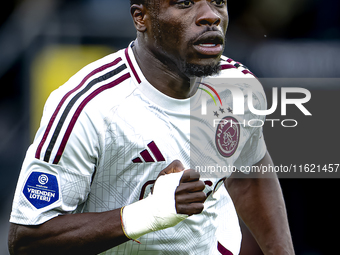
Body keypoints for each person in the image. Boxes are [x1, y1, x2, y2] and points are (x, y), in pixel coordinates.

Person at [8, 0, 295, 254]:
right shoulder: (89, 105)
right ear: (141, 17)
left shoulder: (236, 86)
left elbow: (249, 174)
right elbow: (28, 239)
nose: (211, 15)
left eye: (219, 1)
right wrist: (150, 213)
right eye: (184, 3)